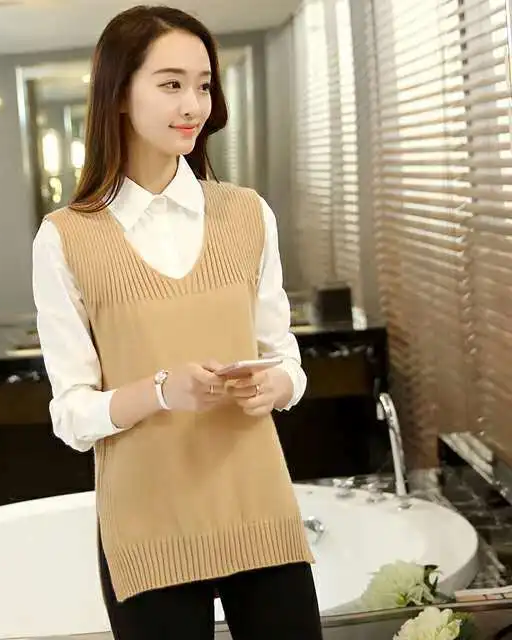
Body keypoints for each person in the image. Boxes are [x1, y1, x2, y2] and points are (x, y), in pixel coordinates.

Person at [32, 5, 322, 639]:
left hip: (259, 509)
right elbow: (72, 415)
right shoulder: (65, 238)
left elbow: (286, 360)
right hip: (148, 527)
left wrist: (277, 385)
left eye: (203, 85)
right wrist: (163, 391)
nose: (193, 104)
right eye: (171, 84)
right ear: (118, 95)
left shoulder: (248, 214)